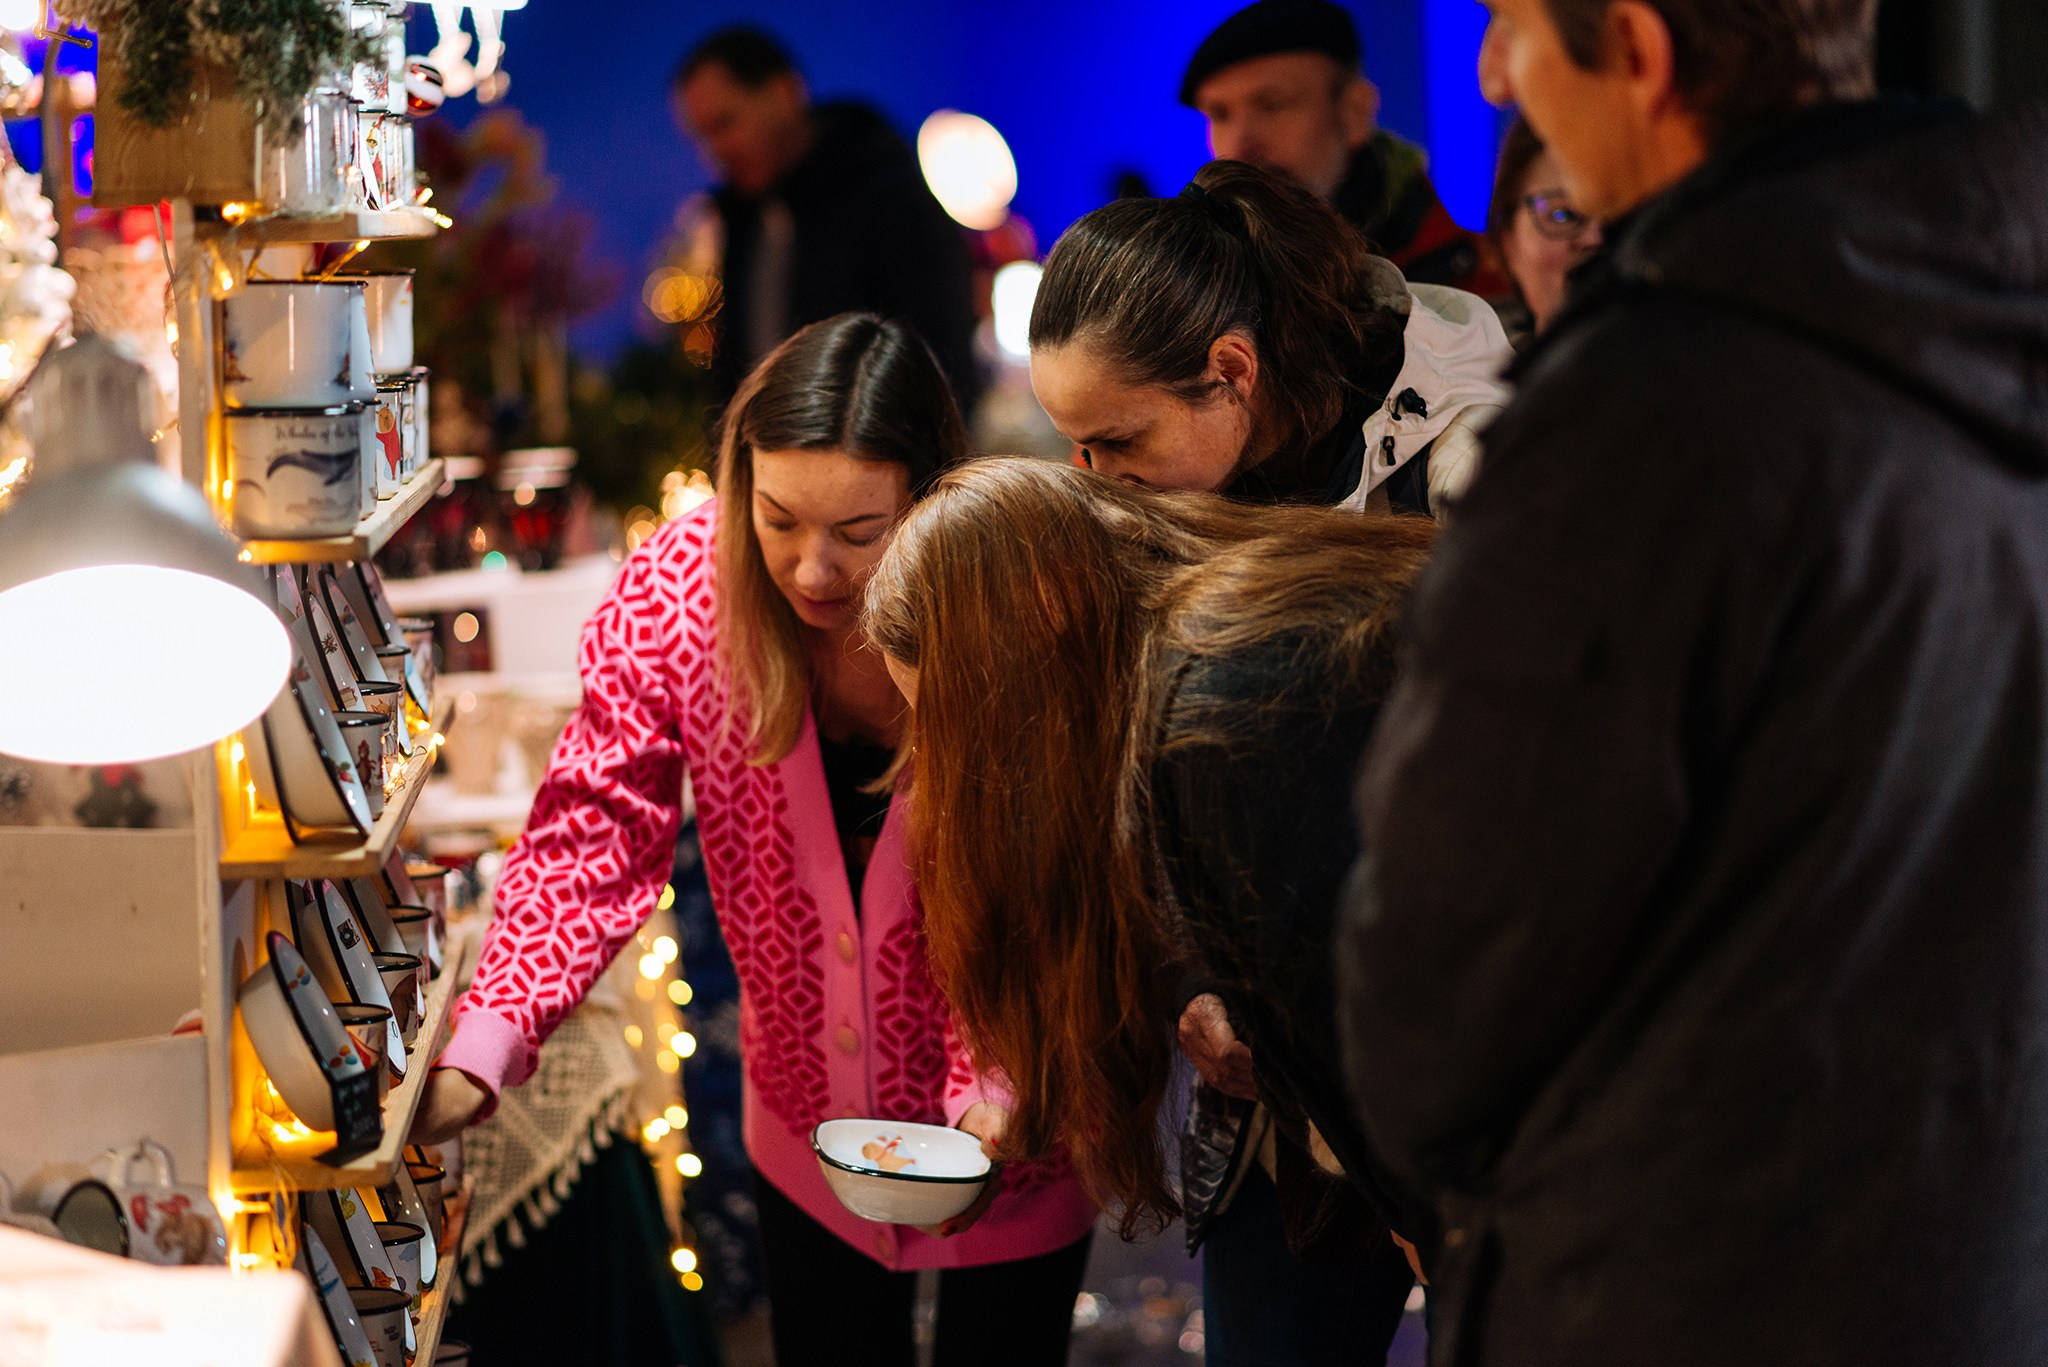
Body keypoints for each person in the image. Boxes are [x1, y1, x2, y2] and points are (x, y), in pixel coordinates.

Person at [1339, 0, 2048, 1361]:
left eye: (1514, 29)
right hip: (1984, 1256)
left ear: (1644, 53)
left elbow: (1441, 985)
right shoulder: (1990, 307)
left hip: (1690, 1275)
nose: (1493, 71)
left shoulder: (1635, 416)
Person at [417, 315, 1097, 1367]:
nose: (811, 568)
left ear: (928, 497)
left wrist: (998, 1082)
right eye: (778, 518)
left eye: (858, 532)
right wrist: (493, 1031)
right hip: (809, 1135)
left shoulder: (1004, 606)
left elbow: (1036, 874)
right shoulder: (679, 591)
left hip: (1016, 1133)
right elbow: (593, 826)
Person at [1026, 155, 1506, 1365]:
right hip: (1269, 1093)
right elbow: (1140, 768)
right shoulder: (1154, 491)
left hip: (1478, 1045)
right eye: (1070, 445)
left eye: (1115, 438)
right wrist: (1190, 972)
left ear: (1231, 371)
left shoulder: (1476, 455)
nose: (1092, 478)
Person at [863, 456, 1437, 1351]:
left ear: (1037, 632)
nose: (962, 765)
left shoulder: (1208, 708)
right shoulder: (1175, 660)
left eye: (966, 724)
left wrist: (1429, 1223)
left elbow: (1380, 1043)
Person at [1030, 158, 1510, 516]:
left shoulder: (1468, 473)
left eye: (1124, 442)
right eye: (1087, 452)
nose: (1106, 487)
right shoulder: (1202, 468)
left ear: (1232, 370)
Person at [672, 28, 979, 405]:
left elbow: (941, 355)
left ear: (784, 92)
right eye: (702, 137)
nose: (715, 151)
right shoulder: (742, 221)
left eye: (725, 123)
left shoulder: (886, 194)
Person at [1183, 0, 1504, 295]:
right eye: (1219, 114)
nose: (1240, 146)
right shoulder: (1193, 290)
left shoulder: (1478, 291)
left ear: (1354, 113)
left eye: (1273, 105)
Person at [1484, 117, 1603, 343]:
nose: (1593, 238)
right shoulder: (1455, 372)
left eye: (1616, 216)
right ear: (1508, 242)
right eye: (1563, 215)